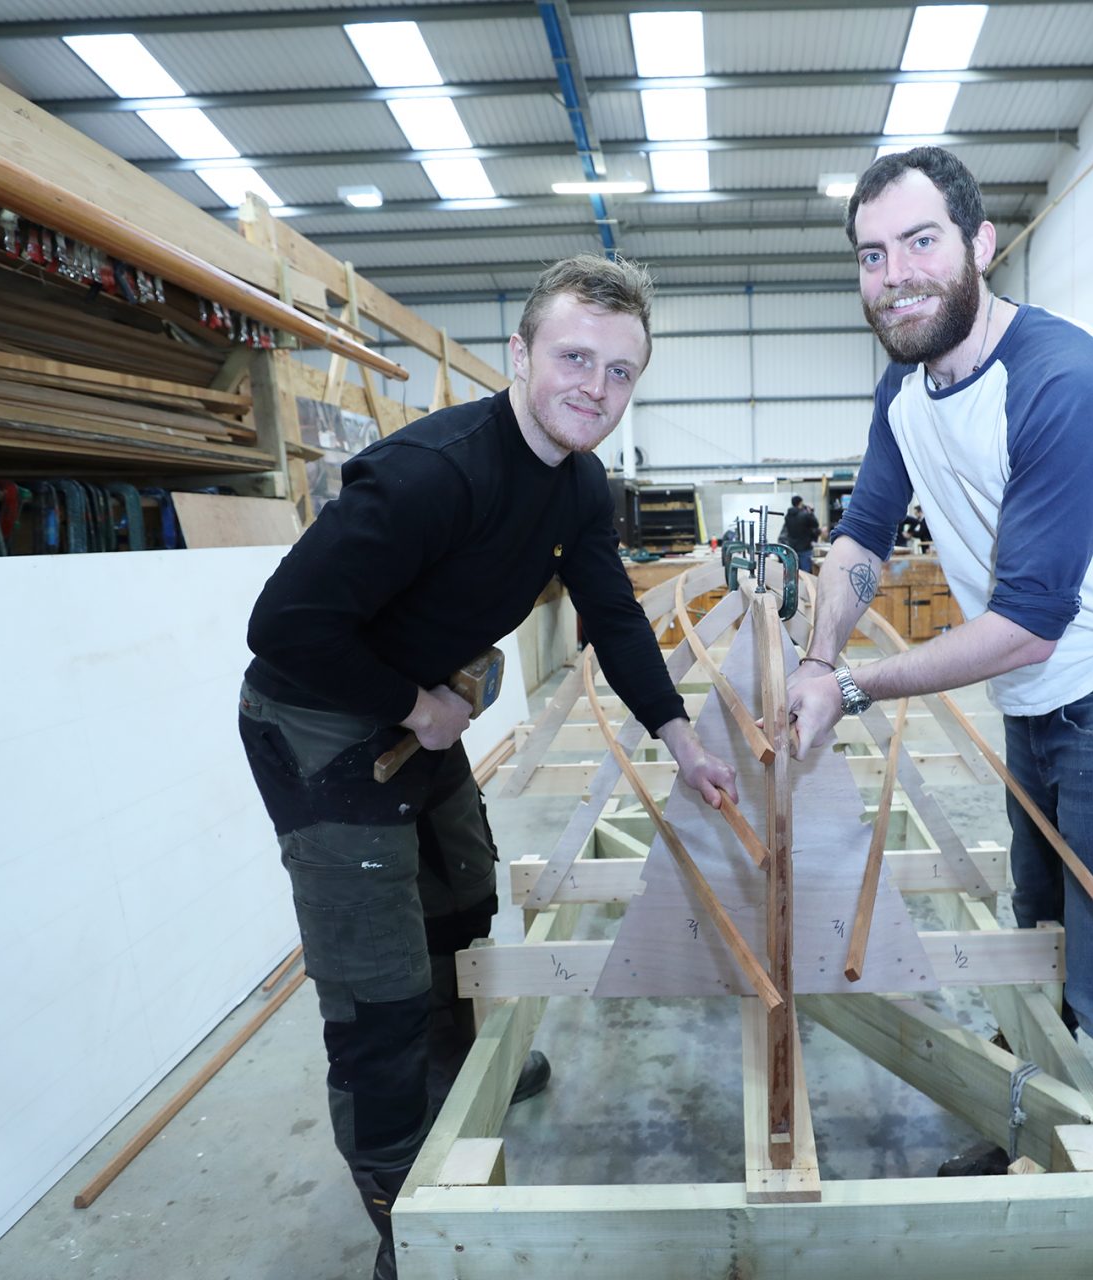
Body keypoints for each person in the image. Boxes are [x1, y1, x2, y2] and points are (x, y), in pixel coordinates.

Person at [236, 254, 737, 1280]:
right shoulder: (434, 472)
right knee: (375, 992)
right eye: (574, 357)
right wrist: (417, 703)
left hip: (418, 711)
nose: (595, 387)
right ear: (520, 353)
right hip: (321, 727)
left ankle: (459, 1076)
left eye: (620, 371)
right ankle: (404, 1222)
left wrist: (679, 735)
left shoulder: (579, 485)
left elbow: (610, 613)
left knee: (463, 901)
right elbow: (283, 626)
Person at [784, 147, 1093, 1272]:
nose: (894, 276)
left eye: (921, 242)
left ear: (980, 245)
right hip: (1042, 695)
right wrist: (815, 653)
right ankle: (1044, 1129)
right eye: (872, 255)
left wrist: (858, 685)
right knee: (1039, 944)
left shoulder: (1063, 379)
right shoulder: (904, 389)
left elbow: (1029, 620)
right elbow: (860, 537)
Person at [781, 494, 821, 571]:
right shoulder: (805, 515)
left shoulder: (788, 516)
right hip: (805, 548)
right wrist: (811, 513)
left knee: (794, 572)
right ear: (800, 503)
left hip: (792, 547)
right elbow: (816, 524)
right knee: (806, 573)